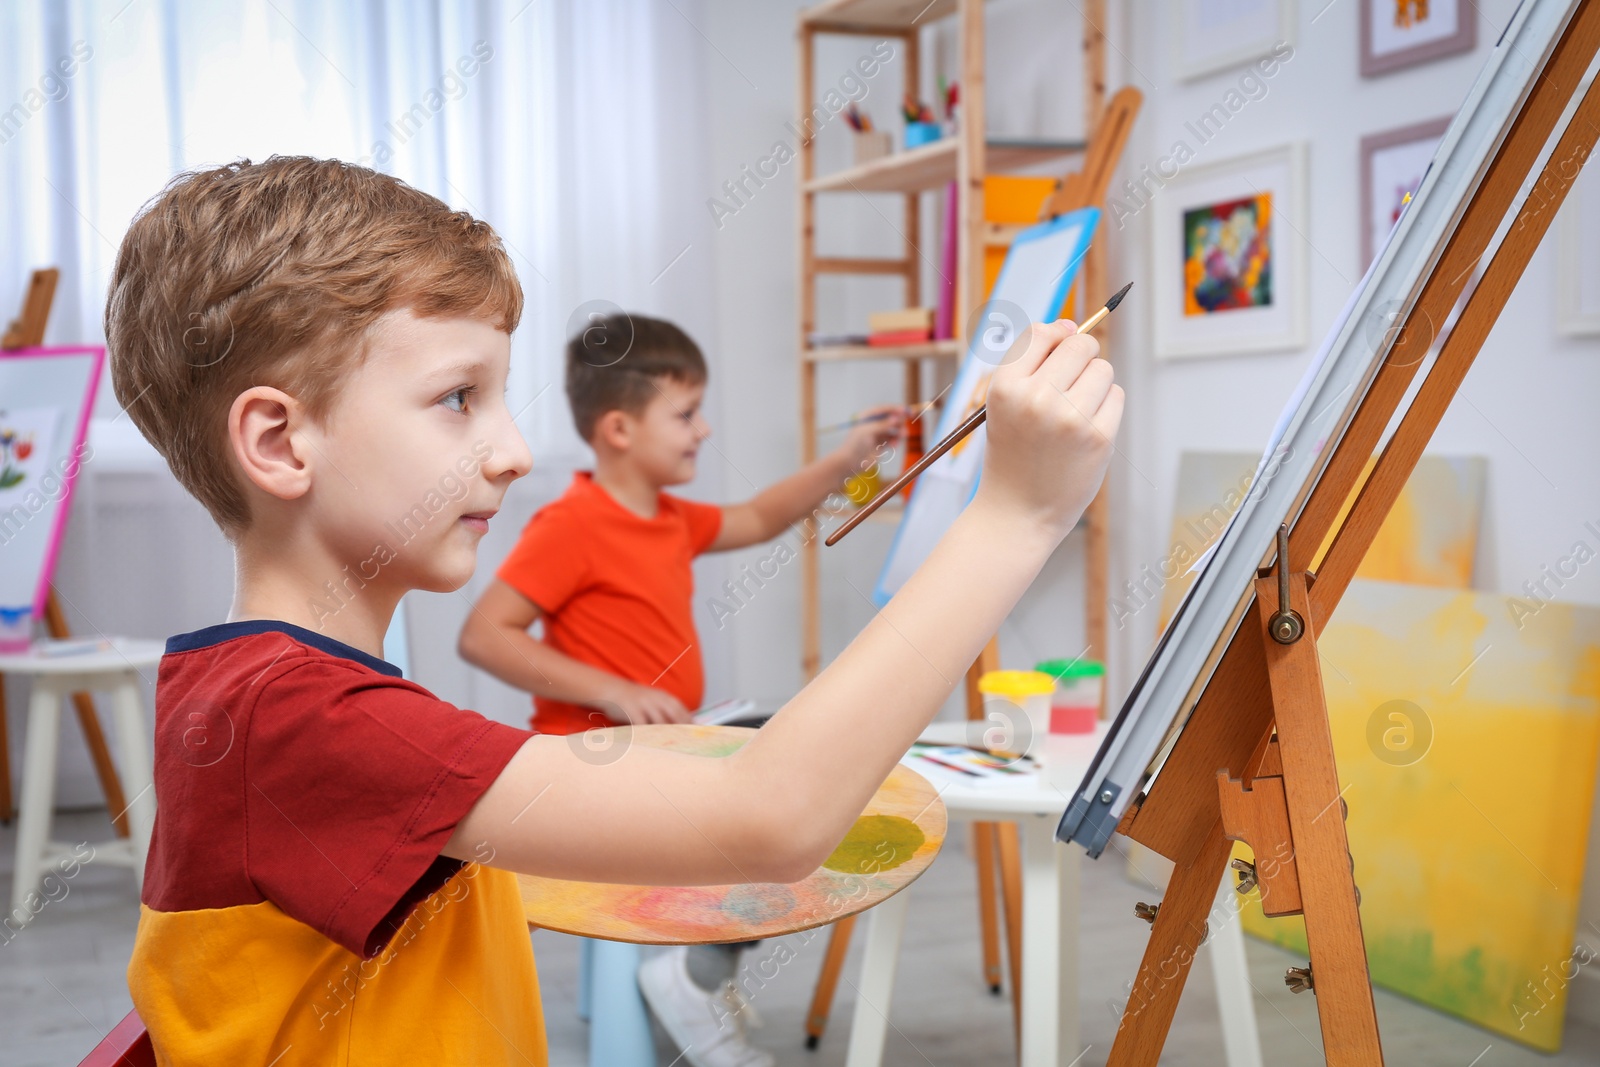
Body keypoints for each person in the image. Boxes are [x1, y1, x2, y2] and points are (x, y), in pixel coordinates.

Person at [105, 155, 1121, 1066]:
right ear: (281, 443)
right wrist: (1016, 514)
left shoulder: (278, 693)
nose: (508, 449)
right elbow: (771, 819)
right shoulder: (300, 719)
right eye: (460, 396)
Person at [456, 313, 901, 1064]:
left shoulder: (668, 517)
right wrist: (616, 689)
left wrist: (847, 457)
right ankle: (695, 975)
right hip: (592, 759)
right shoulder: (573, 524)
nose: (703, 430)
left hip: (657, 747)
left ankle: (697, 969)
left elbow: (761, 515)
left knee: (779, 753)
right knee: (775, 793)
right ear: (621, 428)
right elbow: (485, 634)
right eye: (687, 414)